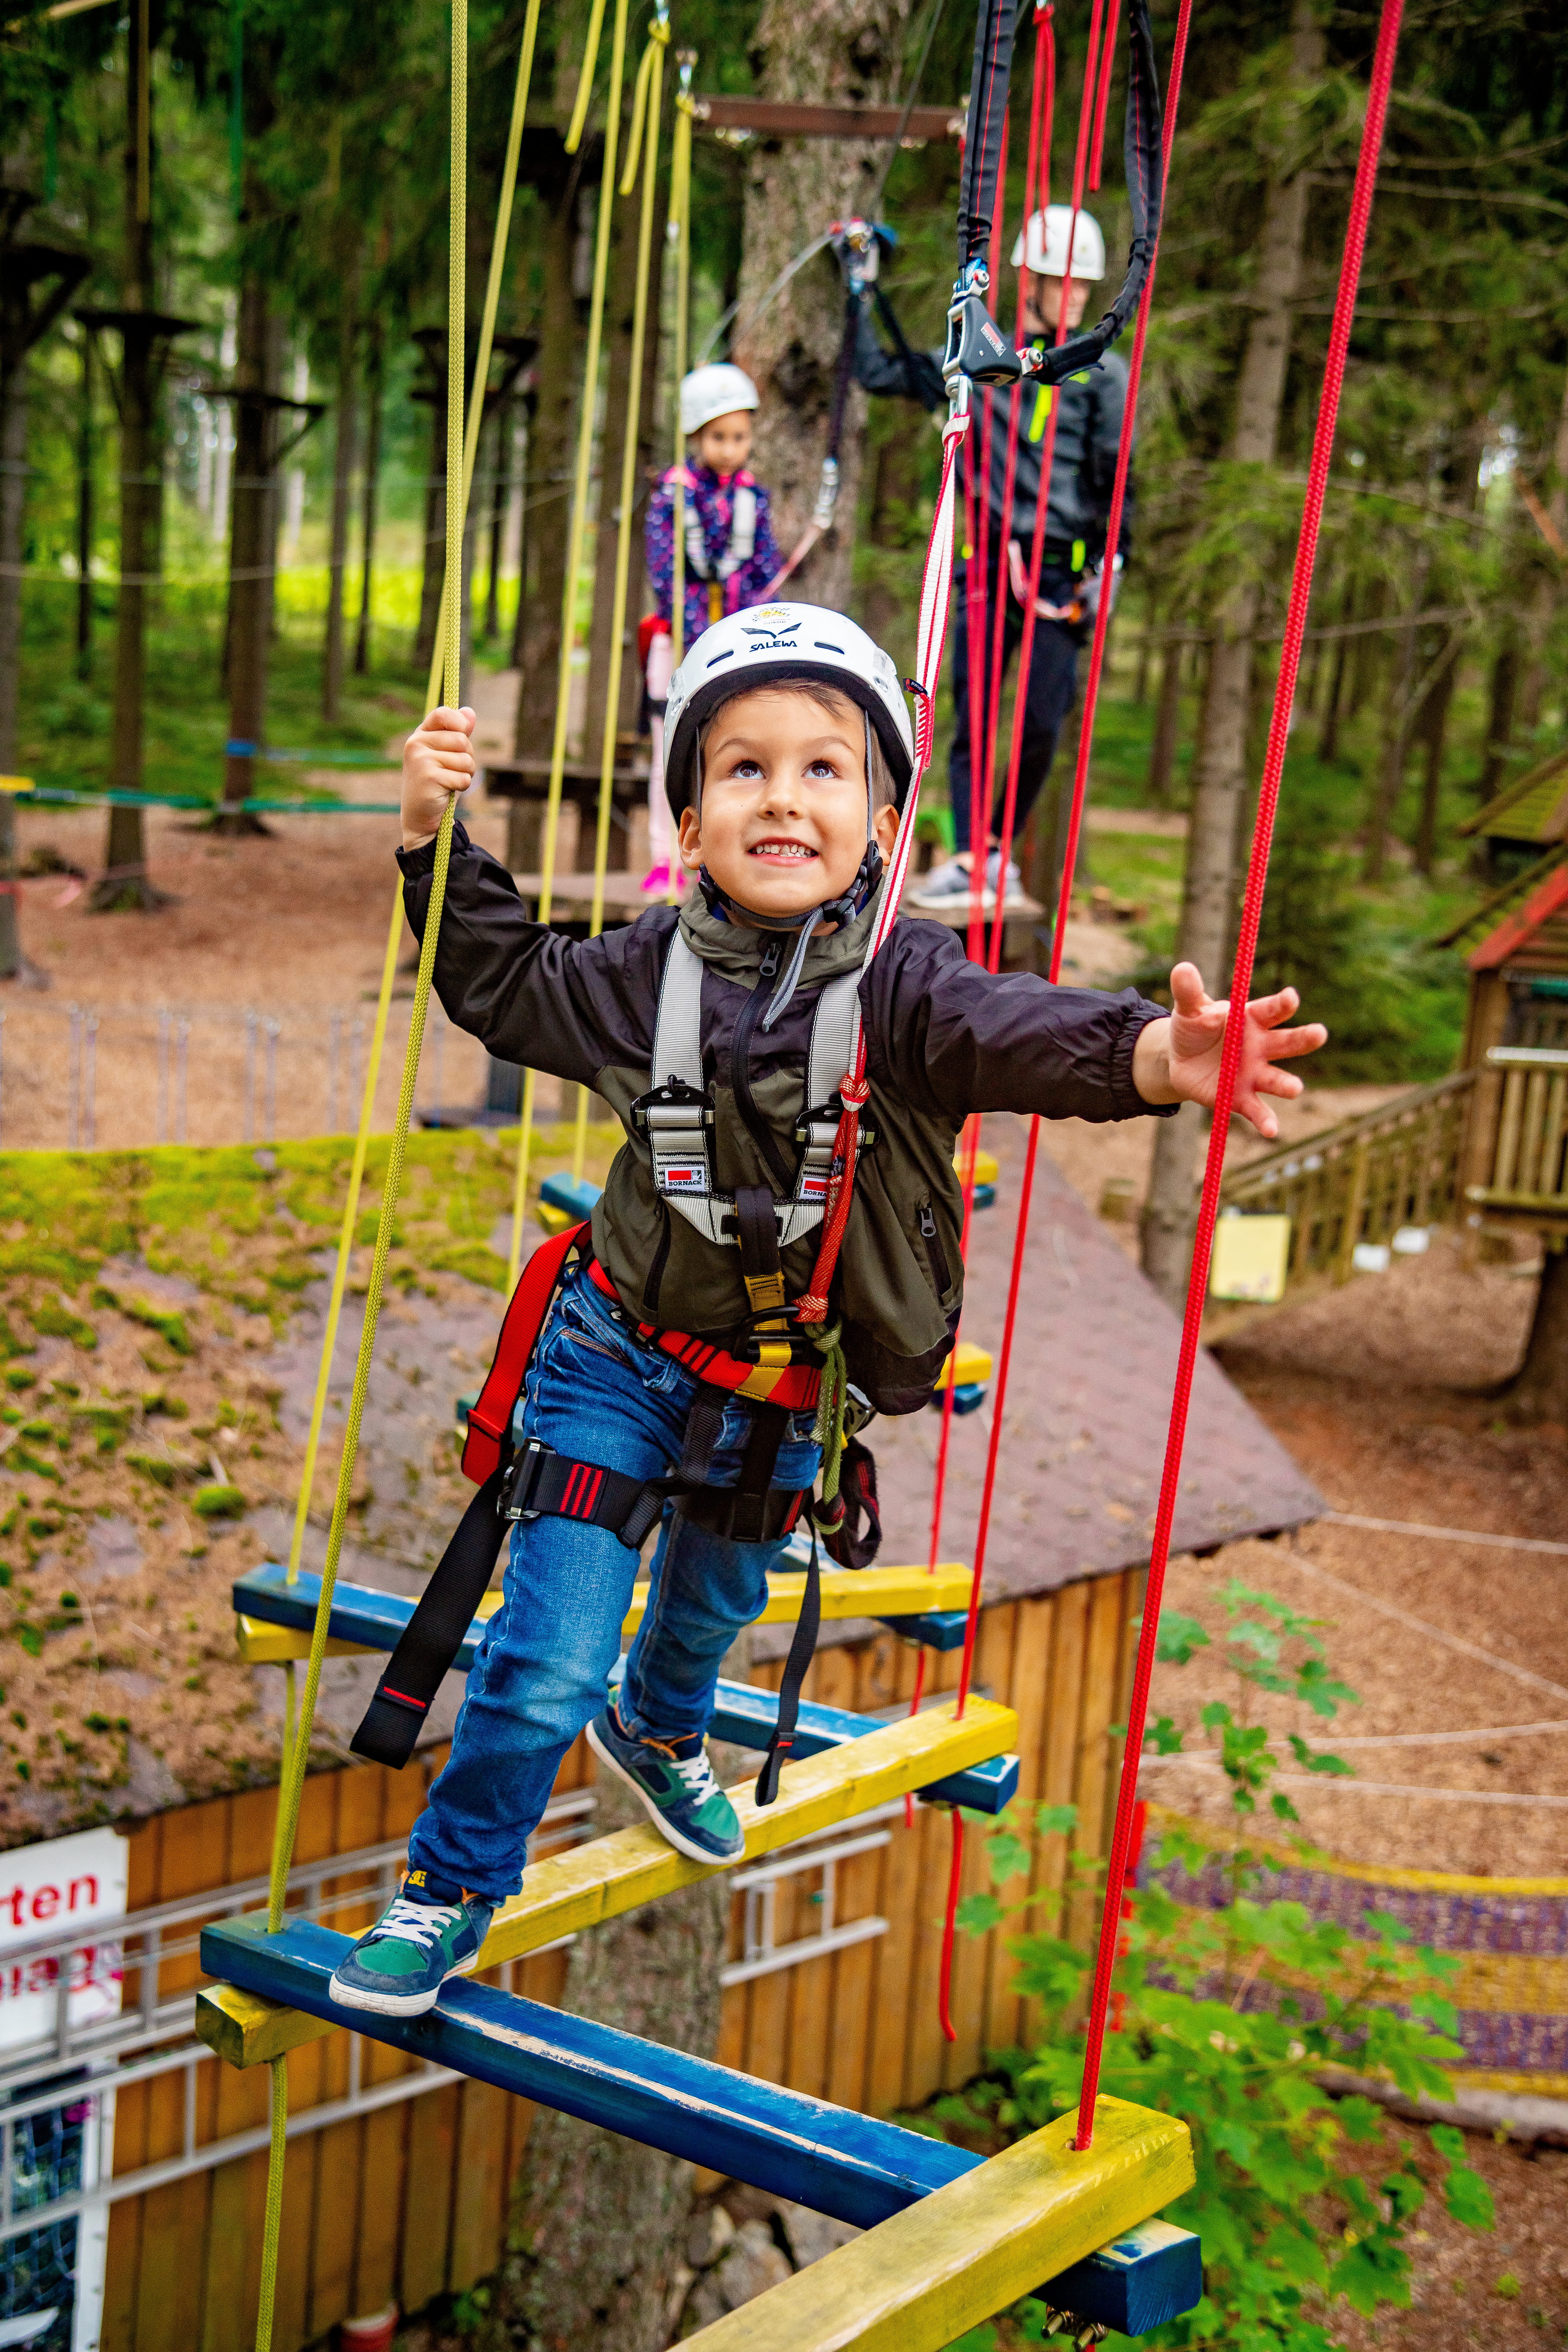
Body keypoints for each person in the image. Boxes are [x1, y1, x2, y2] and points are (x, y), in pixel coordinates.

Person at [326, 601, 1324, 2018]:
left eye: (822, 768)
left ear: (882, 821)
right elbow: (498, 978)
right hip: (618, 1352)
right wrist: (433, 845)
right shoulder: (635, 975)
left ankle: (661, 1727)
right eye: (741, 768)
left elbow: (1020, 1031)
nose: (782, 795)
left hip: (785, 1383)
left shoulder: (909, 987)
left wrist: (1158, 1053)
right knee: (544, 1659)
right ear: (687, 819)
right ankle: (448, 1884)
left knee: (712, 1607)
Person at [854, 206, 1128, 911]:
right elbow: (880, 370)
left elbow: (1115, 480)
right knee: (973, 716)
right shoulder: (978, 358)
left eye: (1079, 285)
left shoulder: (1102, 374)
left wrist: (1112, 570)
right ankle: (971, 853)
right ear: (1027, 279)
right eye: (1056, 280)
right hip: (985, 565)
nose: (1069, 295)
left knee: (1041, 719)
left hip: (1063, 576)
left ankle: (998, 851)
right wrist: (862, 289)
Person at [639, 363, 784, 895]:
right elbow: (664, 573)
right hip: (679, 643)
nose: (729, 448)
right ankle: (663, 857)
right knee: (668, 754)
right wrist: (700, 639)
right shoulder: (672, 498)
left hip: (736, 649)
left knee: (730, 754)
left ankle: (719, 860)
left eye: (739, 437)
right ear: (698, 437)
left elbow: (766, 569)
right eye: (719, 437)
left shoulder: (754, 499)